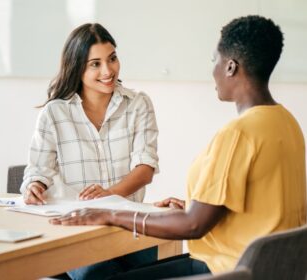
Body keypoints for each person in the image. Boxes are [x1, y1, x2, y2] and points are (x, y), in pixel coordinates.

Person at [50, 15, 307, 279]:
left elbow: (193, 226)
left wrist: (110, 214)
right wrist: (194, 207)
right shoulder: (286, 123)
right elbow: (262, 207)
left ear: (230, 67)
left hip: (224, 270)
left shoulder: (238, 134)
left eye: (214, 61)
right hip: (266, 269)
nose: (213, 70)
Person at [20, 23, 159, 279]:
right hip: (76, 229)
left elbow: (145, 169)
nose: (108, 71)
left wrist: (108, 196)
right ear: (77, 67)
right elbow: (38, 171)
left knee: (149, 270)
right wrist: (35, 185)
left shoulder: (138, 104)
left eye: (112, 59)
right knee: (96, 274)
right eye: (95, 64)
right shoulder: (54, 113)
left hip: (129, 226)